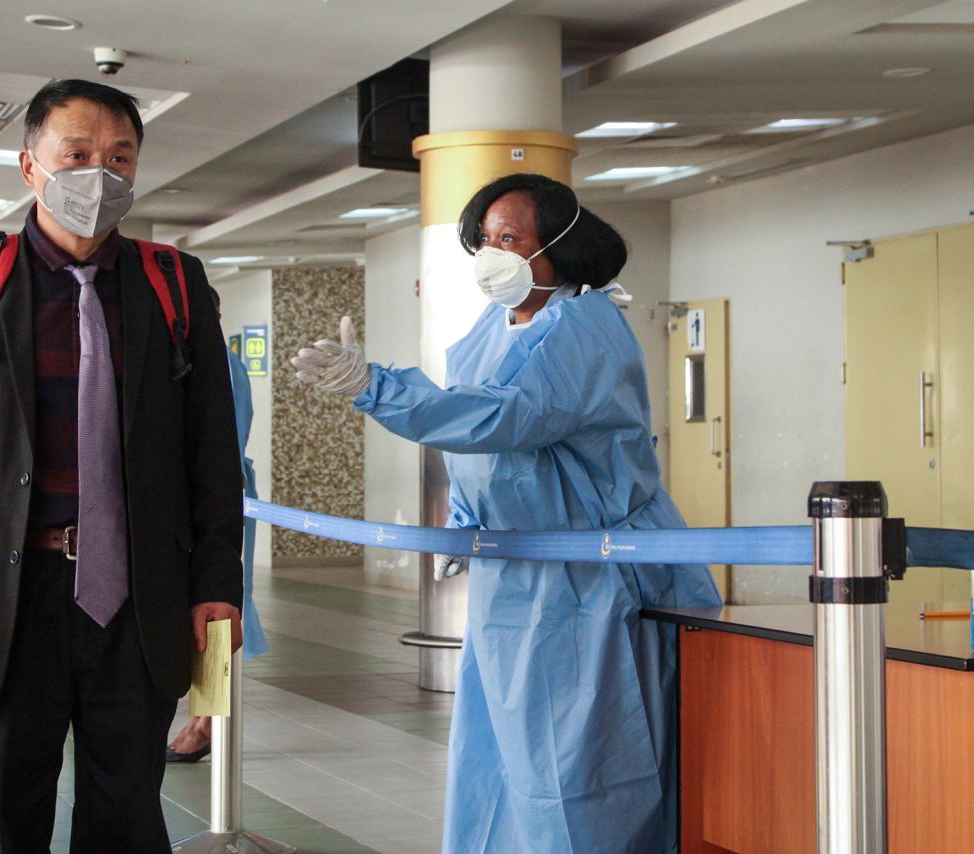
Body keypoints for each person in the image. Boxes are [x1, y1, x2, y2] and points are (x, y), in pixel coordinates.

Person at [291, 173, 722, 853]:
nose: (492, 254)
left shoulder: (585, 326)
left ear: (559, 243)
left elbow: (506, 418)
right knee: (504, 761)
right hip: (518, 579)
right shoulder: (498, 324)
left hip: (593, 583)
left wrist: (377, 388)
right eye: (485, 240)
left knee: (587, 770)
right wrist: (468, 515)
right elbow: (484, 450)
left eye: (509, 238)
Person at [0, 79, 244, 852]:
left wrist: (217, 583)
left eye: (120, 157)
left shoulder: (174, 284)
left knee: (127, 815)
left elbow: (212, 453)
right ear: (30, 166)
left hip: (138, 597)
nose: (101, 173)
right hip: (8, 602)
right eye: (77, 154)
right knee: (12, 813)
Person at [167, 300, 268, 763]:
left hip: (216, 501)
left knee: (216, 614)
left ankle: (205, 723)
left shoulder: (220, 364)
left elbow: (223, 441)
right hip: (179, 501)